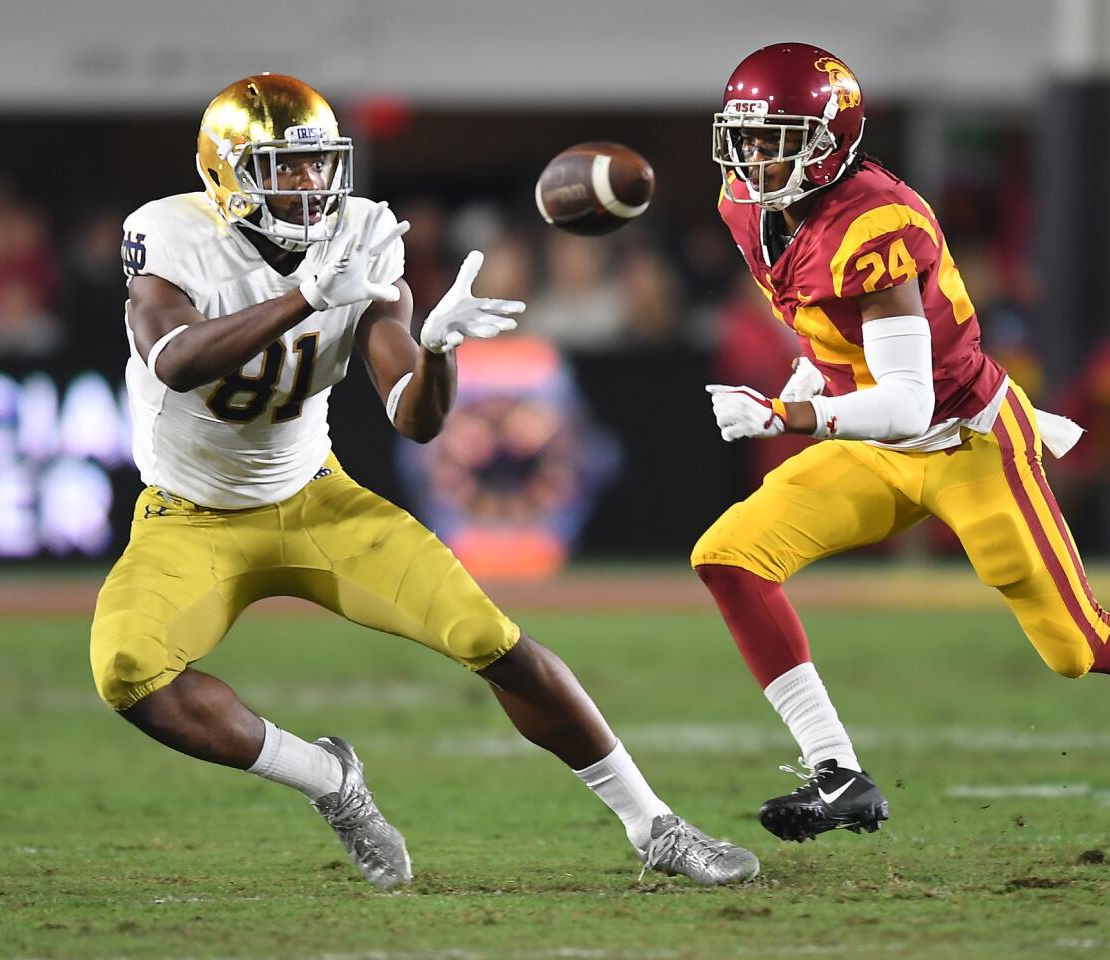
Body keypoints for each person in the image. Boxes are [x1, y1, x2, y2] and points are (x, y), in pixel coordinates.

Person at [91, 73, 758, 890]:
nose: (311, 186)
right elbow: (177, 360)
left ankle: (655, 824)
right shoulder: (167, 236)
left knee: (494, 642)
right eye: (284, 168)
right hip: (190, 517)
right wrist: (303, 295)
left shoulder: (364, 233)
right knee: (127, 670)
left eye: (319, 165)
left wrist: (438, 352)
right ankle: (328, 781)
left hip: (315, 502)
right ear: (227, 173)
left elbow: (415, 416)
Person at [693, 44, 1110, 843]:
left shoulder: (873, 224)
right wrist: (813, 378)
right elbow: (828, 325)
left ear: (828, 140)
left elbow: (911, 402)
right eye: (744, 138)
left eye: (774, 138)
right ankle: (837, 772)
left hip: (963, 442)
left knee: (1078, 644)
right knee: (729, 558)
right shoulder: (749, 207)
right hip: (874, 442)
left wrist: (788, 416)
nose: (753, 158)